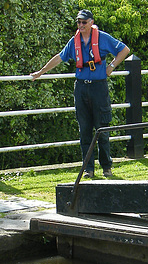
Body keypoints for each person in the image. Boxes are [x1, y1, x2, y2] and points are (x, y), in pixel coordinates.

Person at [30, 10, 130, 178]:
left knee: (102, 129)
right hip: (81, 88)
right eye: (78, 22)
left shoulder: (102, 38)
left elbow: (124, 50)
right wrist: (41, 72)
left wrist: (111, 67)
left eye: (84, 22)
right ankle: (88, 169)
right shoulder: (74, 41)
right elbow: (60, 57)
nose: (81, 25)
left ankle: (106, 167)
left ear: (91, 22)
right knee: (84, 130)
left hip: (99, 87)